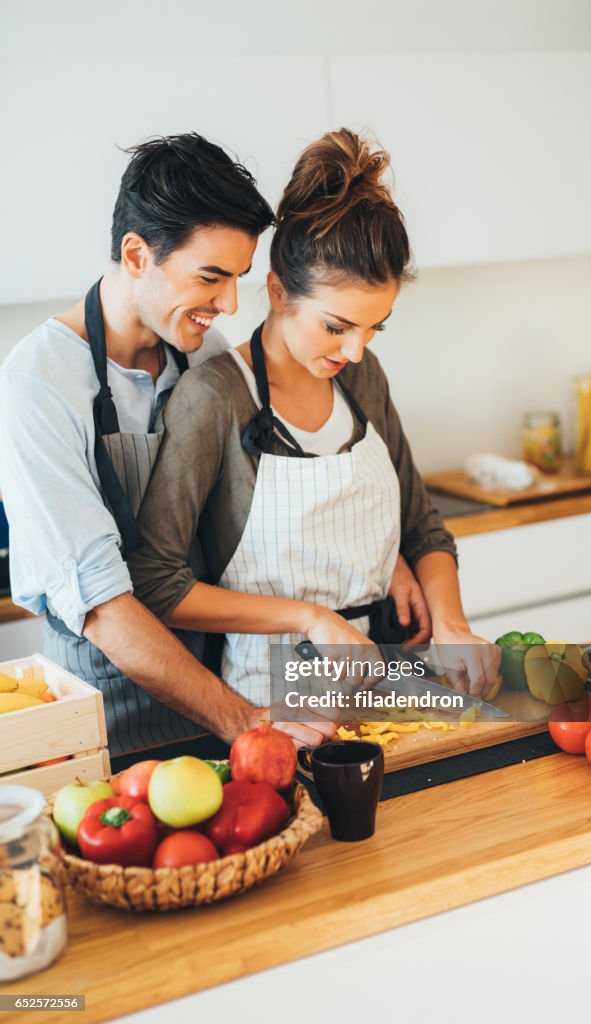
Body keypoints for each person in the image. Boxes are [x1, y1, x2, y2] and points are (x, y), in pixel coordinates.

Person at [0, 132, 346, 755]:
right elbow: (102, 605)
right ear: (137, 254)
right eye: (211, 277)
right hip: (109, 722)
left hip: (225, 684)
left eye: (238, 278)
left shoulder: (200, 354)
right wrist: (249, 726)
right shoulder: (39, 383)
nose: (228, 303)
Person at [129, 129, 500, 708]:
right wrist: (308, 619)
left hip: (387, 672)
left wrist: (451, 625)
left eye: (374, 327)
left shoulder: (361, 376)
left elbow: (422, 526)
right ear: (277, 292)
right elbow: (155, 581)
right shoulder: (216, 396)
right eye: (336, 326)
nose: (354, 350)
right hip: (270, 701)